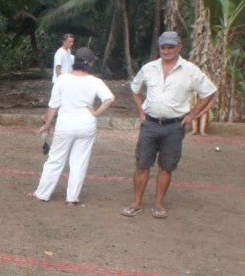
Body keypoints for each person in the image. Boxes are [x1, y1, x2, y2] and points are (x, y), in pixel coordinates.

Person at [121, 31, 216, 218]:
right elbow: (135, 89)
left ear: (179, 47)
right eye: (163, 47)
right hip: (150, 124)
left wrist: (193, 114)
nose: (167, 50)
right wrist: (141, 112)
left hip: (174, 126)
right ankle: (136, 203)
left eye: (171, 47)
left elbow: (209, 92)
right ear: (159, 48)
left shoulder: (190, 70)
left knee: (166, 166)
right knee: (142, 164)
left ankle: (158, 204)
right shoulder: (149, 68)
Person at [27, 47, 115, 205]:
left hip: (66, 125)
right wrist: (95, 113)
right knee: (79, 161)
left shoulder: (62, 79)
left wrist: (47, 124)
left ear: (75, 62)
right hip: (86, 125)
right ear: (90, 63)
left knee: (55, 160)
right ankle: (72, 199)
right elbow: (109, 98)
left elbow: (53, 105)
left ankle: (42, 194)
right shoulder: (95, 81)